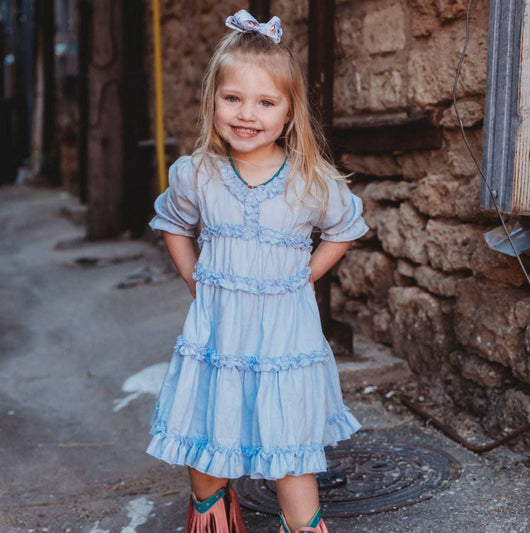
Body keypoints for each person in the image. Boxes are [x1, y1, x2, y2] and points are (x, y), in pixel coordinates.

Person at [146, 9, 369, 533]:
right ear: (213, 102)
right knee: (205, 459)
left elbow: (345, 228)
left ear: (289, 114)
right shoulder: (197, 173)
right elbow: (172, 223)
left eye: (266, 102)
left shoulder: (309, 180)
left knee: (290, 459)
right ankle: (216, 520)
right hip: (217, 339)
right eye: (233, 99)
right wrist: (196, 279)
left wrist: (303, 278)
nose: (248, 114)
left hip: (283, 345)